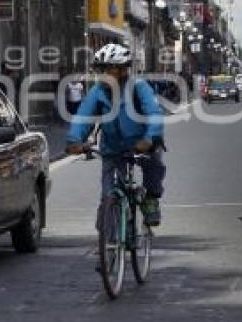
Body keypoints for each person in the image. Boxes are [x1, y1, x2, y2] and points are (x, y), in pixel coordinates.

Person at [65, 43, 166, 226]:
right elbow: (83, 116)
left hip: (141, 144)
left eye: (106, 70)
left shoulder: (139, 87)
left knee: (154, 165)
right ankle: (108, 238)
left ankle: (151, 199)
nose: (101, 75)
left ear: (121, 70)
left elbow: (154, 113)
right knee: (108, 194)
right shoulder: (98, 91)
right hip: (112, 148)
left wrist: (150, 138)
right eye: (100, 70)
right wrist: (74, 140)